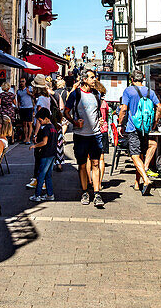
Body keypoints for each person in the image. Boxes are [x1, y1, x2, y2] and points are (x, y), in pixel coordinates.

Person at [64, 69, 105, 208]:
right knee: (82, 165)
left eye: (95, 77)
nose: (95, 80)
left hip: (95, 135)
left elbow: (97, 112)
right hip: (80, 135)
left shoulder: (97, 95)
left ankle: (97, 193)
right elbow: (66, 112)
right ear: (84, 79)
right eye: (92, 77)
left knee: (95, 163)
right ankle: (85, 192)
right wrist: (75, 122)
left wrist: (100, 120)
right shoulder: (75, 94)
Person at [118, 69, 161, 196]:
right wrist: (155, 122)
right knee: (142, 152)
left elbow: (124, 109)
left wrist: (121, 124)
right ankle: (137, 183)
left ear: (132, 79)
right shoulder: (150, 91)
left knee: (134, 155)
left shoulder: (128, 91)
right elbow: (160, 107)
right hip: (146, 127)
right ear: (142, 79)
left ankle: (146, 180)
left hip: (133, 127)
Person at [29, 106, 57, 203]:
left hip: (46, 154)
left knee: (41, 175)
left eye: (40, 121)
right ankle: (50, 194)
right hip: (52, 154)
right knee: (48, 175)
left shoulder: (46, 129)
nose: (39, 123)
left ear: (46, 118)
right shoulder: (53, 127)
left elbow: (44, 142)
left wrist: (35, 146)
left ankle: (37, 195)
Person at [16, 77, 34, 143]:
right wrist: (18, 107)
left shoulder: (29, 88)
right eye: (20, 82)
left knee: (29, 123)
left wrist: (29, 93)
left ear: (25, 82)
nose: (21, 83)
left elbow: (35, 96)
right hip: (22, 108)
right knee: (24, 124)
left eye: (23, 81)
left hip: (29, 107)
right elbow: (18, 100)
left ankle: (29, 138)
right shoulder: (19, 91)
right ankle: (25, 137)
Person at [98, 97, 111, 186]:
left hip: (92, 131)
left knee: (90, 158)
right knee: (101, 159)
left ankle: (90, 181)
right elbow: (106, 116)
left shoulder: (91, 100)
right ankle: (99, 182)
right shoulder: (104, 103)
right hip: (103, 130)